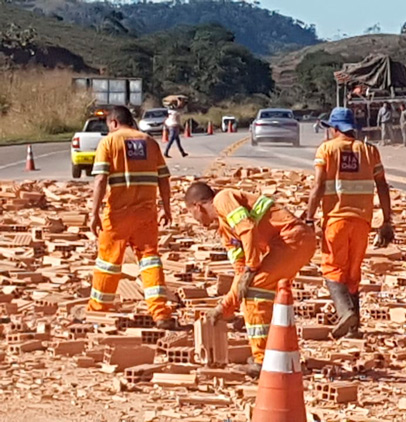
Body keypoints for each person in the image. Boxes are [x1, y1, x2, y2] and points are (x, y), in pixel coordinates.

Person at [185, 182, 316, 374]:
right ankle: (281, 354)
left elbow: (247, 228)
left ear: (197, 206)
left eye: (191, 213)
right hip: (288, 244)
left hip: (294, 238)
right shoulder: (225, 231)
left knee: (256, 289)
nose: (194, 220)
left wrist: (252, 266)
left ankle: (263, 360)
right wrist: (225, 307)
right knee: (262, 290)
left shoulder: (223, 198)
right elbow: (241, 273)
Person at [307, 107, 394, 339]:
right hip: (363, 222)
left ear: (335, 129)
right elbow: (383, 186)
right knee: (353, 273)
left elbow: (317, 187)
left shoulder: (327, 149)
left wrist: (308, 217)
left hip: (336, 220)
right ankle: (354, 328)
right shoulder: (369, 151)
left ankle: (345, 312)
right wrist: (387, 221)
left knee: (332, 268)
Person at [87, 105, 174, 329]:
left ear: (114, 123)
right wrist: (166, 207)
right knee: (149, 259)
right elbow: (164, 178)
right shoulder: (150, 142)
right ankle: (160, 312)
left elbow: (100, 180)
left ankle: (98, 311)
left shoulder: (109, 142)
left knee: (108, 263)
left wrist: (94, 212)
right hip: (146, 213)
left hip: (118, 214)